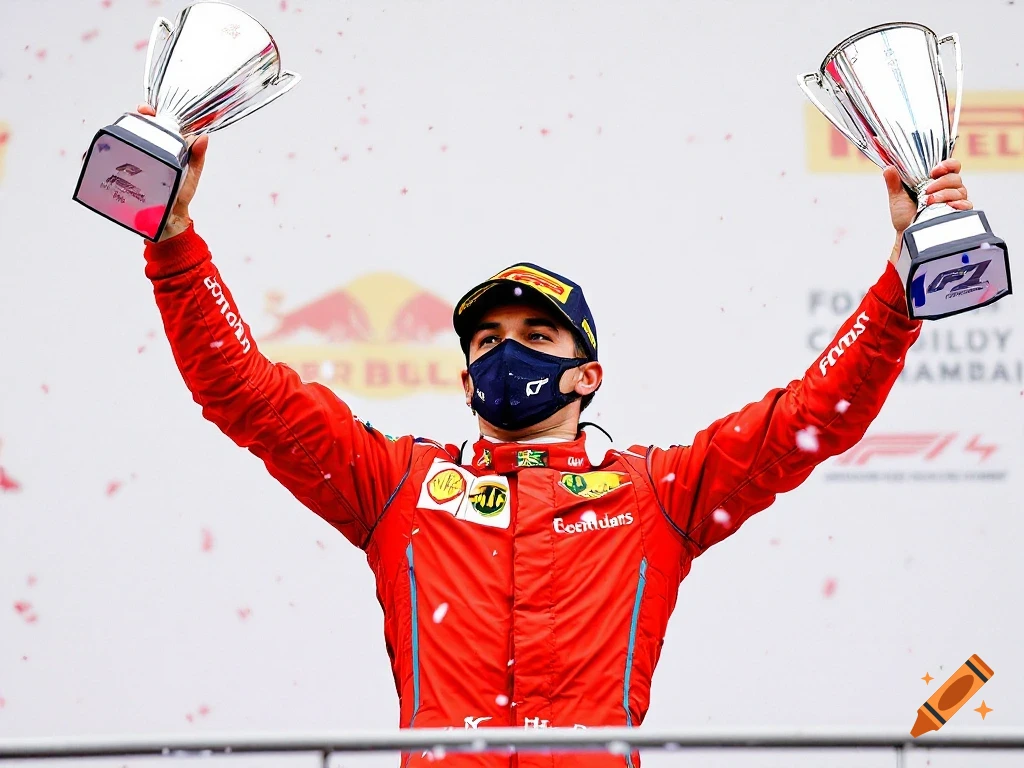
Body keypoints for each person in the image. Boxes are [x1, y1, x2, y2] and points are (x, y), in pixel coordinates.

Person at [134, 102, 972, 767]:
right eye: (489, 341)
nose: (508, 353)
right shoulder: (394, 485)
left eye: (537, 339)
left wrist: (904, 277)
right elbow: (245, 395)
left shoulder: (659, 493)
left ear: (588, 375)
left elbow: (811, 420)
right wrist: (173, 241)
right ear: (464, 382)